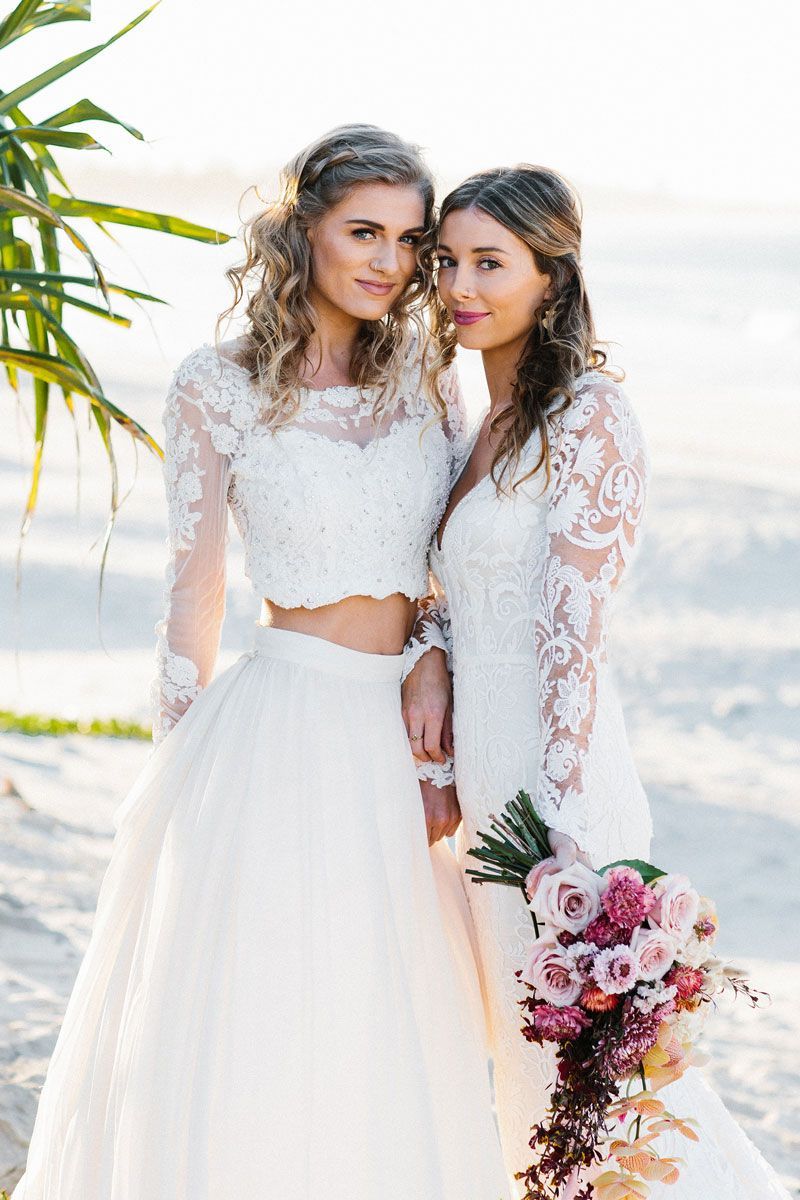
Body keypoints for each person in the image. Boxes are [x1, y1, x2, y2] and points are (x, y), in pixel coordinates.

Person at [11, 126, 511, 1200]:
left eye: (407, 240)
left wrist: (429, 654)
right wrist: (176, 762)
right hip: (276, 726)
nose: (386, 261)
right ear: (304, 233)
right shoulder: (217, 385)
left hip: (397, 739)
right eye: (361, 232)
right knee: (266, 1010)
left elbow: (446, 560)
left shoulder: (426, 374)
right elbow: (189, 592)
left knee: (384, 1014)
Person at [403, 164, 791, 1199]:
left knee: (594, 1086)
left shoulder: (589, 416)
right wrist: (429, 658)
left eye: (490, 262)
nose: (457, 284)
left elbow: (574, 636)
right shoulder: (476, 420)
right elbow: (456, 593)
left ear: (551, 275)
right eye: (445, 260)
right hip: (485, 792)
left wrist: (568, 830)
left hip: (556, 797)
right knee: (530, 1085)